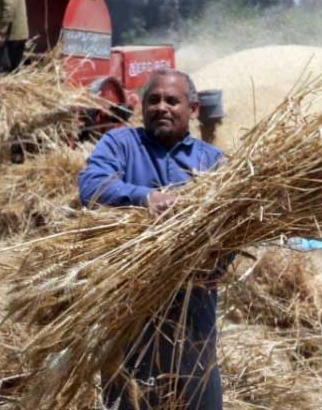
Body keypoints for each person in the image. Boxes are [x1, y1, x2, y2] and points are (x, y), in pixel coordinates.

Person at [78, 69, 225, 410]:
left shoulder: (213, 162)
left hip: (193, 313)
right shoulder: (120, 144)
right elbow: (91, 187)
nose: (162, 107)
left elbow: (233, 229)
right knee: (131, 400)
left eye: (172, 101)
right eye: (153, 100)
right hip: (129, 310)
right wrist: (145, 198)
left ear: (193, 109)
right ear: (142, 106)